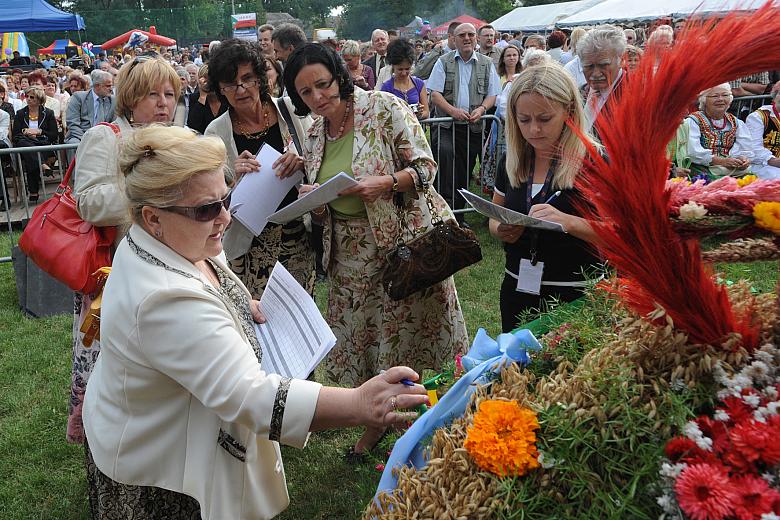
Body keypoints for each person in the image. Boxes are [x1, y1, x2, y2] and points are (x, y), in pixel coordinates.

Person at [82, 125, 429, 519]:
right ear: (152, 216)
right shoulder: (164, 298)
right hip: (162, 473)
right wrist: (356, 403)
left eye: (225, 199)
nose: (225, 218)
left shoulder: (169, 239)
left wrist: (239, 299)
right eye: (207, 209)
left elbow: (207, 278)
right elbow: (250, 396)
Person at [283, 43, 468, 459]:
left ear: (339, 76)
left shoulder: (383, 107)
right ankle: (380, 418)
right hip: (346, 257)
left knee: (407, 341)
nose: (317, 97)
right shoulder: (313, 133)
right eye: (306, 92)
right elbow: (325, 184)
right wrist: (312, 192)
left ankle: (415, 423)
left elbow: (426, 168)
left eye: (323, 85)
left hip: (402, 250)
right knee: (366, 345)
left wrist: (384, 183)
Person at [68, 56, 182, 461]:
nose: (163, 103)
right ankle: (111, 448)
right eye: (153, 94)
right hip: (115, 275)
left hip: (171, 272)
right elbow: (90, 202)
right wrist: (150, 192)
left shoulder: (180, 138)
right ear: (131, 98)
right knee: (115, 372)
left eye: (170, 94)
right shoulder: (106, 136)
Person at [489, 64, 602, 332]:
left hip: (575, 296)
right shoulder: (512, 160)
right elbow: (494, 216)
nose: (534, 130)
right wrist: (501, 229)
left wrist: (569, 223)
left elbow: (624, 233)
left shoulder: (595, 163)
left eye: (544, 118)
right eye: (524, 120)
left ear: (569, 113)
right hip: (517, 288)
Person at [205, 39, 315, 298]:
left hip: (297, 234)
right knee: (258, 319)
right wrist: (231, 176)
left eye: (247, 79)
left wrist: (301, 161)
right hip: (248, 243)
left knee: (300, 314)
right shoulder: (216, 132)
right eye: (230, 84)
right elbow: (210, 197)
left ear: (260, 79)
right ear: (221, 89)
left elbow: (319, 157)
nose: (241, 89)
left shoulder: (290, 111)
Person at [427, 22, 501, 225]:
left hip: (473, 127)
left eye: (470, 34)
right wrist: (452, 111)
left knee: (465, 171)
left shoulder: (486, 64)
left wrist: (482, 109)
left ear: (476, 38)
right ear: (454, 39)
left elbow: (493, 94)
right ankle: (444, 212)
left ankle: (458, 215)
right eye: (462, 35)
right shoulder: (443, 61)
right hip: (447, 127)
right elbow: (435, 94)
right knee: (446, 161)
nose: (467, 38)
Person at [684, 83, 753, 179]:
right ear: (704, 100)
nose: (720, 99)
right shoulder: (693, 121)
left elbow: (745, 148)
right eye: (715, 96)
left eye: (725, 95)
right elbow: (693, 152)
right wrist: (721, 161)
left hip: (731, 168)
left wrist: (743, 159)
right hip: (702, 168)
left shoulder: (736, 122)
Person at [577, 25, 627, 134]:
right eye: (588, 66)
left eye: (603, 65)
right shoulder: (578, 94)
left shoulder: (636, 94)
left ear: (622, 60)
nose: (595, 74)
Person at [13, 86, 58, 202]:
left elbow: (53, 135)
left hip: (42, 143)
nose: (28, 99)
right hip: (26, 142)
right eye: (26, 96)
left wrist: (39, 132)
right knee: (26, 146)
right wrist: (25, 132)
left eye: (32, 97)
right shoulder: (20, 113)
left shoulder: (48, 113)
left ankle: (33, 192)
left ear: (39, 99)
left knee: (31, 153)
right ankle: (42, 164)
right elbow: (16, 135)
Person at [379, 39, 429, 119]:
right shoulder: (386, 87)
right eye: (400, 69)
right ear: (393, 66)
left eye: (407, 69)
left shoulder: (419, 84)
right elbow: (382, 114)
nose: (404, 73)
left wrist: (419, 115)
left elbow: (426, 112)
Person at [65, 69, 115, 144]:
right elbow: (73, 123)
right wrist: (86, 140)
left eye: (111, 86)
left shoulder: (113, 100)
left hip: (104, 137)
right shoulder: (78, 97)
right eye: (108, 86)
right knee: (74, 143)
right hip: (80, 136)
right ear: (97, 86)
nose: (111, 89)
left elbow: (115, 123)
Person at [745, 83, 780, 179]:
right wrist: (773, 161)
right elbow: (753, 148)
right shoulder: (758, 117)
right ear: (774, 96)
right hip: (763, 166)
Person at [187, 64, 228, 135]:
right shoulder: (195, 98)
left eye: (208, 78)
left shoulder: (226, 96)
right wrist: (202, 96)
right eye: (202, 78)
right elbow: (193, 126)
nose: (206, 83)